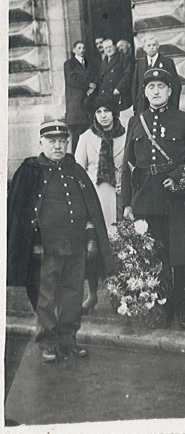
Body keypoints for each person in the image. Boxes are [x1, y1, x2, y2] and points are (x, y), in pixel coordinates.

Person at [7, 120, 113, 362]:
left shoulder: (75, 170)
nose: (57, 146)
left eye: (62, 142)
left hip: (75, 246)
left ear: (67, 143)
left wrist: (90, 238)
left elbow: (89, 210)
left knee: (73, 296)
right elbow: (20, 213)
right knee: (46, 299)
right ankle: (48, 342)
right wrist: (32, 242)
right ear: (41, 142)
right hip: (45, 249)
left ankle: (68, 341)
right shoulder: (30, 171)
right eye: (52, 141)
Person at [121, 68, 185, 330]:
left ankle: (184, 311)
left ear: (170, 91)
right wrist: (127, 203)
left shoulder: (184, 120)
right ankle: (163, 309)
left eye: (161, 86)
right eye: (151, 87)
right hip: (146, 200)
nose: (156, 91)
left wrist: (179, 176)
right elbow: (127, 165)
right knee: (155, 258)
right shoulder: (136, 121)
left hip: (177, 200)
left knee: (180, 260)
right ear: (145, 92)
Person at [74, 95, 127, 314]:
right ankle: (93, 294)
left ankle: (120, 293)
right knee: (93, 247)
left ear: (114, 113)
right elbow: (77, 170)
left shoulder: (125, 136)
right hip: (94, 201)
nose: (103, 116)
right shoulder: (87, 137)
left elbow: (131, 165)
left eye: (107, 111)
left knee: (120, 246)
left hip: (119, 197)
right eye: (99, 112)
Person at [132, 34, 181, 114]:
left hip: (162, 106)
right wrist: (135, 106)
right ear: (144, 48)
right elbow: (135, 86)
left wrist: (173, 106)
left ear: (158, 46)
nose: (152, 47)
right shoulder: (140, 63)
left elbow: (176, 85)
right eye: (149, 45)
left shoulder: (167, 62)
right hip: (143, 106)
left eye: (154, 45)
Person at [64, 40, 97, 151]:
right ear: (74, 50)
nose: (81, 50)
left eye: (83, 48)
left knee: (89, 134)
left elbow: (95, 78)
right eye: (79, 48)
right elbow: (71, 80)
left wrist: (92, 88)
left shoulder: (89, 64)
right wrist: (88, 85)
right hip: (76, 105)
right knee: (76, 136)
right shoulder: (69, 64)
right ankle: (75, 162)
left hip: (88, 104)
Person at [96, 38, 133, 112]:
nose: (108, 50)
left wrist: (119, 88)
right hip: (106, 96)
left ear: (114, 47)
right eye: (106, 48)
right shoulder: (104, 62)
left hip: (119, 95)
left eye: (110, 47)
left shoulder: (123, 58)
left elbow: (128, 75)